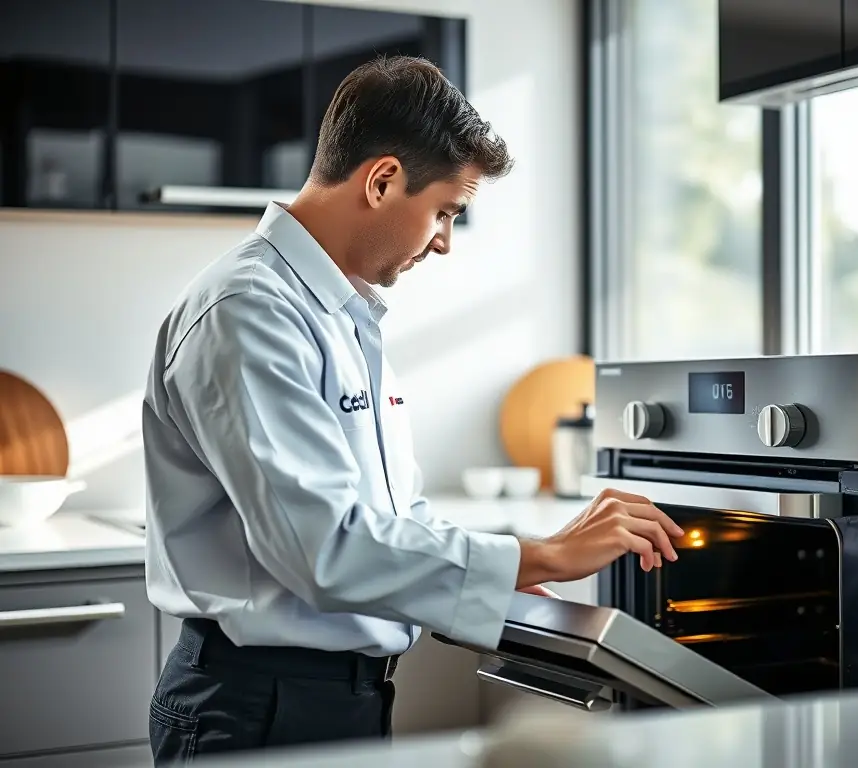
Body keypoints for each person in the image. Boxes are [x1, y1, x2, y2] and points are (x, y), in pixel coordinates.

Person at [141, 55, 682, 764]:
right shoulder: (249, 312)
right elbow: (323, 550)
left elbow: (395, 518)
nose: (444, 241)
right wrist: (541, 554)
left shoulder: (338, 313)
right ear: (383, 180)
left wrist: (510, 575)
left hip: (335, 697)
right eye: (445, 212)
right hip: (256, 704)